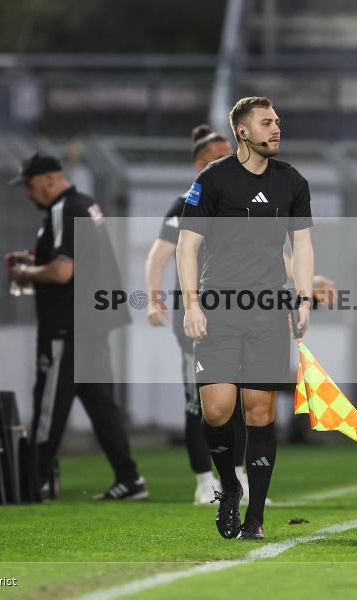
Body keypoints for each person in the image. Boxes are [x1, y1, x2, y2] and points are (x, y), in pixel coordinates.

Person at [177, 96, 314, 540]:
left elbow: (302, 246)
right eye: (266, 123)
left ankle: (255, 515)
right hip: (217, 308)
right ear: (242, 131)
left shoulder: (292, 182)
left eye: (278, 121)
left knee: (258, 412)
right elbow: (187, 246)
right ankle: (229, 486)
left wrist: (304, 297)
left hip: (268, 311)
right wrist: (192, 303)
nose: (276, 129)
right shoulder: (213, 180)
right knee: (217, 409)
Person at [7, 152, 147, 501]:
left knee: (49, 404)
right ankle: (130, 479)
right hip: (92, 324)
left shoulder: (64, 208)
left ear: (49, 179)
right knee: (101, 405)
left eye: (29, 184)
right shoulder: (87, 205)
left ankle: (31, 482)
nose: (27, 193)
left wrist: (25, 273)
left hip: (67, 325)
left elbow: (62, 271)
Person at [144, 124, 246, 505]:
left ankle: (236, 479)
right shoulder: (187, 202)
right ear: (205, 164)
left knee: (236, 398)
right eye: (226, 155)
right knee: (199, 400)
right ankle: (205, 481)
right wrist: (154, 298)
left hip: (235, 314)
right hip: (197, 316)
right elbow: (158, 255)